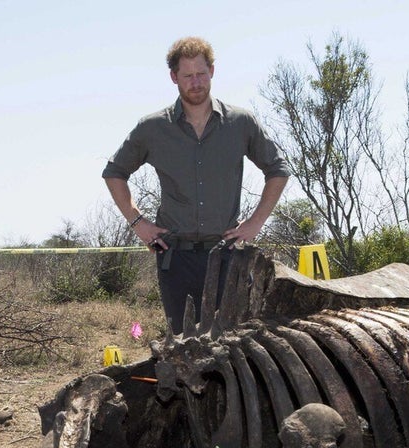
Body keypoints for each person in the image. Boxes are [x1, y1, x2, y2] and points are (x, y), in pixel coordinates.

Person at [102, 36, 289, 333]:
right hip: (176, 258)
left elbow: (278, 169)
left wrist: (255, 223)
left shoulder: (240, 123)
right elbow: (114, 172)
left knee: (233, 345)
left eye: (201, 73)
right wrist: (138, 222)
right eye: (187, 76)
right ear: (174, 78)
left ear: (212, 71)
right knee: (184, 349)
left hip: (228, 255)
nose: (196, 82)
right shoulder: (153, 128)